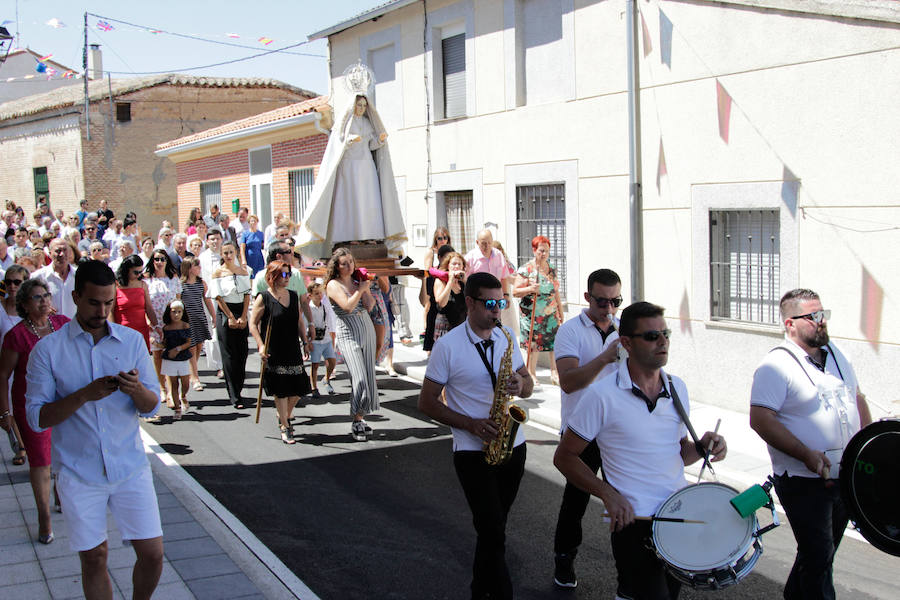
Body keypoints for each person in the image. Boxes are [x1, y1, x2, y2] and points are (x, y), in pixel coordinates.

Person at [553, 301, 726, 600]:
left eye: (665, 333)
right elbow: (564, 457)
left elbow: (675, 454)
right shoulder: (601, 396)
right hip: (633, 523)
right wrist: (607, 493)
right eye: (651, 336)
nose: (662, 341)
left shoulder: (677, 388)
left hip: (676, 517)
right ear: (626, 343)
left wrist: (703, 447)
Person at [25, 260, 163, 600]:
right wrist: (84, 395)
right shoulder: (48, 350)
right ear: (75, 297)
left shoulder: (130, 341)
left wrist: (137, 391)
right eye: (93, 302)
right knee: (94, 557)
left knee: (153, 554)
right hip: (78, 471)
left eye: (108, 302)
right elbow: (36, 418)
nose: (102, 310)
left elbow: (153, 405)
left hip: (130, 467)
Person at [417, 272, 534, 600]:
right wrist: (469, 424)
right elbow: (426, 402)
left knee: (495, 527)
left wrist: (520, 385)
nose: (497, 310)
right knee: (492, 527)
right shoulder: (448, 346)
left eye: (501, 303)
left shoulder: (507, 337)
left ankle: (479, 590)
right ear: (469, 302)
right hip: (472, 450)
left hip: (513, 446)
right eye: (490, 304)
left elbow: (528, 383)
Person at [749, 289, 871, 600]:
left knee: (817, 555)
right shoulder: (775, 365)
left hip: (842, 475)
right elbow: (761, 419)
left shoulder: (836, 354)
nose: (821, 321)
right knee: (818, 556)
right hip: (803, 480)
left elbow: (857, 397)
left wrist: (868, 444)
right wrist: (805, 454)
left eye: (822, 314)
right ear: (790, 324)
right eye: (812, 316)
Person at [550, 268, 623, 588]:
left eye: (615, 301)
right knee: (576, 500)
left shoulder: (624, 330)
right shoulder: (570, 331)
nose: (609, 308)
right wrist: (606, 358)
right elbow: (568, 382)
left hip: (618, 431)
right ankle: (564, 560)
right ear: (587, 298)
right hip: (581, 430)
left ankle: (629, 572)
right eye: (602, 301)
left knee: (624, 499)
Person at [0, 278, 69, 545]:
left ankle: (61, 495)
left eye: (46, 296)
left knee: (63, 453)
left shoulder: (63, 324)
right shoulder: (15, 335)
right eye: (37, 297)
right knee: (40, 461)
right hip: (32, 406)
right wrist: (4, 413)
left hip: (64, 401)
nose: (44, 301)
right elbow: (3, 375)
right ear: (24, 305)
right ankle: (44, 517)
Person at [297, 91, 406, 259]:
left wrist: (380, 140)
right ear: (353, 106)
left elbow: (372, 145)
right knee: (351, 202)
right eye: (359, 105)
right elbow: (338, 144)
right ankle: (349, 237)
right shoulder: (344, 124)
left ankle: (371, 235)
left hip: (366, 167)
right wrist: (348, 141)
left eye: (364, 106)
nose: (361, 108)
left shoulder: (367, 123)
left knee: (369, 202)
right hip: (348, 167)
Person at [249, 261, 312, 444]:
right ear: (273, 275)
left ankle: (283, 415)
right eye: (284, 274)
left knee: (300, 387)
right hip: (274, 349)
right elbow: (253, 324)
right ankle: (285, 426)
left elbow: (299, 321)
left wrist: (305, 341)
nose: (287, 278)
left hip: (292, 346)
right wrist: (260, 345)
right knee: (281, 389)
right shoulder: (264, 297)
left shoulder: (293, 296)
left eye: (288, 274)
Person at [325, 248, 379, 441]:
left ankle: (360, 418)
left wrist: (366, 289)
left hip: (366, 328)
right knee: (359, 378)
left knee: (369, 377)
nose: (349, 266)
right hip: (349, 332)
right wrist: (361, 289)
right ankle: (356, 418)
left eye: (351, 262)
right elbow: (347, 306)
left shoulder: (357, 282)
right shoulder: (333, 284)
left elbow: (370, 305)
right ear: (337, 267)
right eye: (344, 263)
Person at [513, 235, 563, 387]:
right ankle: (531, 373)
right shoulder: (526, 269)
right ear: (534, 250)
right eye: (541, 251)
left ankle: (554, 373)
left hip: (550, 312)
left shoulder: (552, 269)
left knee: (554, 342)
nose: (544, 254)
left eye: (547, 251)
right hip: (532, 313)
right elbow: (515, 291)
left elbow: (556, 292)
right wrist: (530, 288)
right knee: (533, 344)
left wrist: (560, 311)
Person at [209, 241, 251, 409]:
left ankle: (239, 388)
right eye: (225, 253)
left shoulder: (242, 272)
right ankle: (234, 395)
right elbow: (218, 298)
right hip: (225, 311)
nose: (228, 255)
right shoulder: (217, 273)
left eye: (231, 252)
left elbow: (247, 295)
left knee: (242, 353)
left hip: (240, 310)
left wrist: (243, 316)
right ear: (221, 254)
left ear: (235, 253)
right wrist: (231, 317)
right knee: (229, 354)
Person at [145, 250, 182, 409]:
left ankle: (173, 392)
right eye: (156, 259)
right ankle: (161, 388)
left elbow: (178, 302)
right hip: (154, 324)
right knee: (158, 356)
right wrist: (149, 322)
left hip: (170, 323)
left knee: (172, 358)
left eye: (162, 259)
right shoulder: (147, 280)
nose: (159, 262)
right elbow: (144, 304)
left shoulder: (173, 279)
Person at [0, 266, 27, 466]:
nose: (11, 286)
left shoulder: (31, 308)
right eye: (7, 282)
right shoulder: (0, 308)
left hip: (27, 366)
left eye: (17, 282)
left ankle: (25, 444)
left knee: (25, 407)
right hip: (5, 367)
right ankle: (21, 447)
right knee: (10, 408)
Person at [179, 257, 214, 392]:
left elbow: (207, 300)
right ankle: (195, 378)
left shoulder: (201, 283)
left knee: (199, 345)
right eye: (196, 266)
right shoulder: (181, 284)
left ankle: (191, 371)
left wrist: (213, 316)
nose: (199, 268)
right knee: (192, 347)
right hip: (188, 320)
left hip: (199, 318)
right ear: (188, 268)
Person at [113, 255, 157, 353]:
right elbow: (110, 311)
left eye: (140, 272)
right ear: (127, 270)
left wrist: (156, 326)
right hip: (122, 330)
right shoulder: (116, 286)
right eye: (136, 272)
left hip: (141, 330)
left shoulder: (142, 285)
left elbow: (149, 308)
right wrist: (112, 330)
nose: (138, 275)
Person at [161, 300, 192, 420]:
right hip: (170, 359)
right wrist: (157, 344)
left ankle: (183, 396)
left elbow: (188, 343)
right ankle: (177, 409)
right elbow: (165, 344)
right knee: (173, 384)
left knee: (185, 383)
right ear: (169, 313)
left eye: (179, 312)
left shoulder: (185, 326)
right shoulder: (166, 328)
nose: (176, 315)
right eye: (174, 312)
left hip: (182, 358)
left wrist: (177, 349)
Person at [33, 238, 77, 319]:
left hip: (74, 328)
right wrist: (41, 308)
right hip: (49, 328)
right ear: (50, 254)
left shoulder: (80, 275)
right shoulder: (37, 277)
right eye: (58, 251)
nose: (62, 254)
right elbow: (29, 303)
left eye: (65, 250)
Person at [423, 244, 455, 354]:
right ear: (439, 257)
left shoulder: (456, 275)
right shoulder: (433, 273)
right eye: (446, 258)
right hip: (435, 313)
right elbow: (426, 299)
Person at [307, 282, 337, 397]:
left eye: (321, 293)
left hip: (326, 339)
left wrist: (331, 337)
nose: (320, 296)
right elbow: (305, 324)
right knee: (315, 365)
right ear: (310, 295)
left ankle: (326, 378)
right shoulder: (309, 308)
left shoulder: (325, 306)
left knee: (332, 362)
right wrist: (307, 341)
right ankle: (314, 387)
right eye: (316, 294)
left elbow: (329, 323)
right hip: (315, 340)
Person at [432, 251, 467, 342]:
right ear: (448, 266)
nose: (456, 266)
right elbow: (441, 303)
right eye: (453, 264)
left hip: (461, 327)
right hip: (445, 328)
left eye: (459, 264)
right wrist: (450, 282)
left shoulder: (462, 283)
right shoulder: (440, 282)